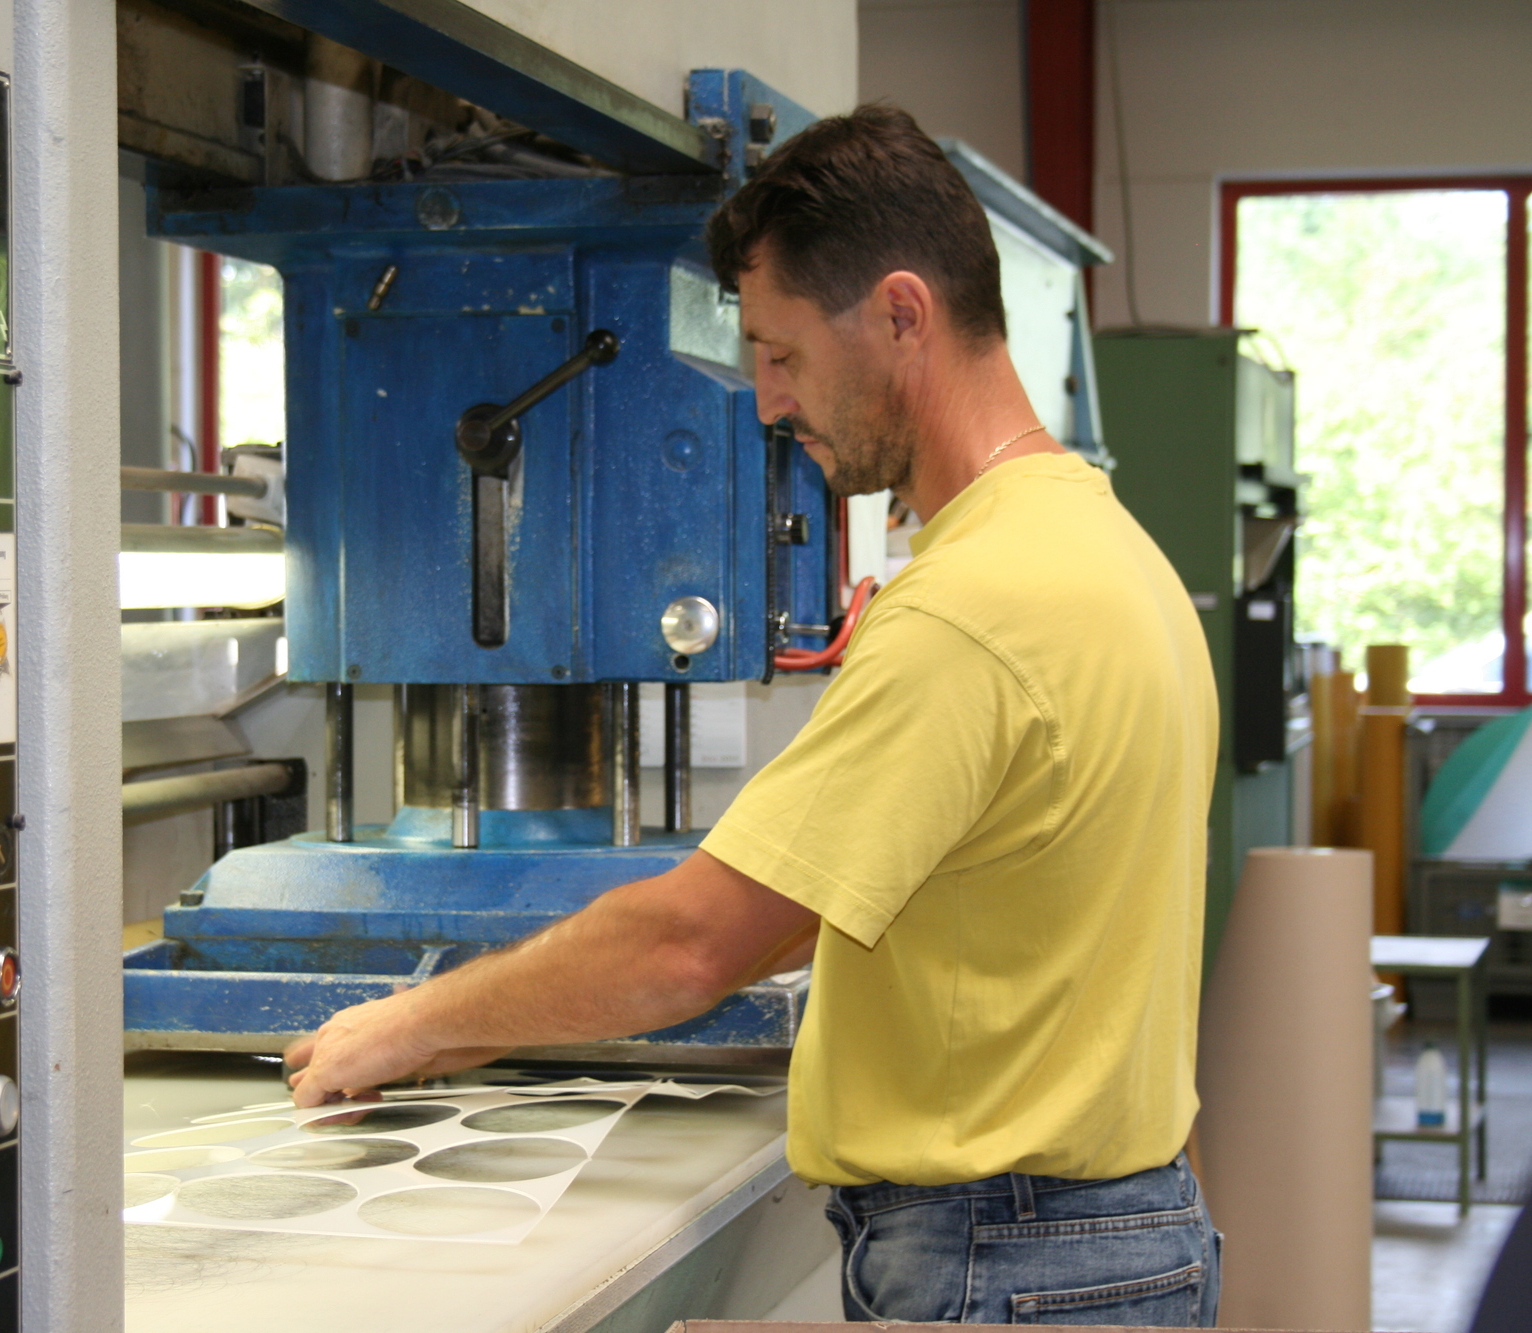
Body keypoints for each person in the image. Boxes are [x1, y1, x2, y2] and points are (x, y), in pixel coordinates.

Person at [284, 102, 1221, 1326]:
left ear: (899, 313)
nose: (767, 402)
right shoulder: (1104, 548)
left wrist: (409, 1026)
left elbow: (695, 944)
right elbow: (810, 903)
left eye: (779, 354)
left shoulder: (968, 608)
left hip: (1011, 1261)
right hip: (1103, 1241)